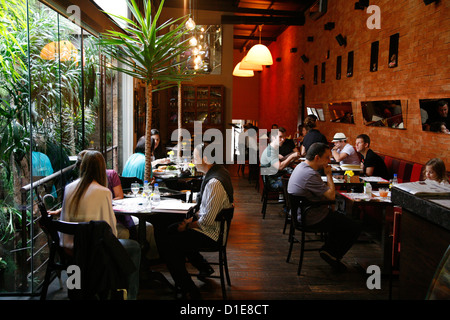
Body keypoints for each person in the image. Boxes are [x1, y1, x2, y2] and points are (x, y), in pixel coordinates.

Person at [60, 150, 141, 300]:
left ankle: (77, 292)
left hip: (72, 249)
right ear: (101, 168)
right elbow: (111, 231)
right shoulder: (103, 192)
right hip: (96, 251)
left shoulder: (69, 189)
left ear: (82, 166)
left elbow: (63, 220)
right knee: (134, 247)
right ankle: (128, 295)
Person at [158, 142, 234, 299]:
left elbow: (206, 221)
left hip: (213, 235)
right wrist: (188, 222)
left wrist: (187, 226)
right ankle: (200, 270)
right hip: (214, 228)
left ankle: (189, 289)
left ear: (205, 158)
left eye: (195, 156)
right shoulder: (218, 172)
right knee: (170, 230)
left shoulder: (214, 183)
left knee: (168, 243)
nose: (193, 159)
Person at [287, 142, 361, 271]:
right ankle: (331, 253)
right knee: (354, 226)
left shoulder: (301, 166)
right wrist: (328, 175)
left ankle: (329, 250)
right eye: (327, 157)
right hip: (310, 217)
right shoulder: (310, 174)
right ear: (317, 158)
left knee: (340, 219)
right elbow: (331, 196)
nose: (329, 160)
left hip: (300, 214)